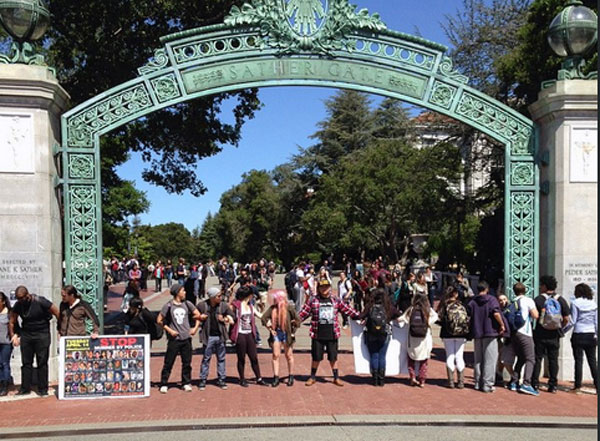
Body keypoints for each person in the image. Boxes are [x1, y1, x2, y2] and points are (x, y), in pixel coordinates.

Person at [298, 279, 360, 387]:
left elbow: (348, 310)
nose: (324, 289)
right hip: (317, 333)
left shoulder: (335, 300)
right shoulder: (313, 300)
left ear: (330, 287)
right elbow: (304, 313)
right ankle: (312, 376)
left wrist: (360, 316)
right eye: (322, 287)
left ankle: (336, 377)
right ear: (319, 288)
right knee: (316, 357)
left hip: (332, 333)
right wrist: (293, 321)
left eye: (326, 287)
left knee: (333, 357)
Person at [9, 285, 59, 396]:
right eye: (18, 299)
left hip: (42, 333)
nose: (20, 301)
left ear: (27, 295)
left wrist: (60, 329)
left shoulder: (40, 301)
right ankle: (25, 388)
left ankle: (43, 389)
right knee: (26, 362)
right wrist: (14, 335)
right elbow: (12, 320)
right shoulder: (18, 305)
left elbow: (56, 312)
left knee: (42, 362)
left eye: (22, 298)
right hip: (27, 334)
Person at [157, 283, 201, 393]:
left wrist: (195, 328)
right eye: (183, 291)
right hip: (174, 339)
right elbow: (159, 320)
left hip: (186, 338)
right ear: (177, 293)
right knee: (169, 362)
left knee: (187, 362)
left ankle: (186, 382)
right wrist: (169, 330)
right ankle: (164, 383)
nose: (185, 292)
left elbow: (197, 315)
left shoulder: (187, 304)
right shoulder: (168, 305)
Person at [531, 275, 570, 393]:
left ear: (544, 286)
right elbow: (567, 318)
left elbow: (533, 316)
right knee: (553, 360)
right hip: (555, 334)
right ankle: (553, 384)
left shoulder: (538, 299)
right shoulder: (561, 299)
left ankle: (535, 383)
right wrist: (559, 327)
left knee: (538, 359)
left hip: (540, 333)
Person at [467, 281, 506, 393]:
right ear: (487, 289)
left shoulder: (473, 301)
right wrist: (502, 324)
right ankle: (487, 384)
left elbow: (469, 314)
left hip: (477, 332)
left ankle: (478, 382)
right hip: (490, 331)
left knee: (478, 359)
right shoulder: (491, 299)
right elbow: (496, 313)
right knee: (490, 359)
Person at [359, 287, 399, 386]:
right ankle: (381, 380)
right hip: (384, 333)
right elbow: (399, 315)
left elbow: (360, 316)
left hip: (371, 333)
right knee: (382, 356)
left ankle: (375, 379)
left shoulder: (370, 306)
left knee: (374, 355)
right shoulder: (388, 307)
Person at [197, 286, 234, 390]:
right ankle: (203, 379)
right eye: (218, 296)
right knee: (206, 358)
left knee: (221, 358)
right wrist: (200, 317)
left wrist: (225, 318)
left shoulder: (223, 306)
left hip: (220, 336)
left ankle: (221, 379)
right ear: (212, 297)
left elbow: (232, 316)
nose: (220, 297)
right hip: (208, 336)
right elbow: (193, 315)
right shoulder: (202, 305)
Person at [563, 283, 598, 393]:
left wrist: (563, 331)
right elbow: (596, 322)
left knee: (578, 360)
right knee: (593, 361)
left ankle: (577, 386)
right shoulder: (593, 304)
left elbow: (573, 321)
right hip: (591, 333)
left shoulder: (575, 303)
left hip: (579, 333)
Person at [229, 286, 266, 387]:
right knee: (241, 358)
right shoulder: (236, 305)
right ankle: (242, 378)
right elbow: (229, 314)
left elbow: (260, 315)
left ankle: (259, 378)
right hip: (240, 334)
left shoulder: (250, 306)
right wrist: (228, 319)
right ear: (249, 295)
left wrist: (268, 317)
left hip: (250, 334)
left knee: (254, 357)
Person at [261, 290, 299, 387]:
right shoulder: (273, 309)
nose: (275, 300)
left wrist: (293, 329)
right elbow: (264, 318)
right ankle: (276, 377)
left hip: (287, 334)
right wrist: (270, 329)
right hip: (277, 333)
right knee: (275, 355)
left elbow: (298, 320)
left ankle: (291, 376)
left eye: (277, 299)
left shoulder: (289, 308)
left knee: (288, 355)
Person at [399, 293, 438, 387]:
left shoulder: (411, 309)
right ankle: (422, 380)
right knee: (424, 360)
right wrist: (427, 323)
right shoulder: (427, 310)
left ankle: (412, 377)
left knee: (411, 359)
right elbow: (436, 316)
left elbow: (402, 318)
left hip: (412, 337)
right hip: (424, 337)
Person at [507, 282, 539, 396]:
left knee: (520, 358)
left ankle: (514, 381)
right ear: (525, 290)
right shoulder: (528, 300)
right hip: (525, 332)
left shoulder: (512, 301)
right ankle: (526, 383)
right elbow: (535, 315)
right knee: (531, 358)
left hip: (514, 333)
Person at [436, 286, 469, 389]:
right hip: (462, 334)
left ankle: (450, 381)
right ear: (456, 294)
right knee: (460, 356)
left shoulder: (444, 305)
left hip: (447, 333)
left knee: (450, 355)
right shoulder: (461, 304)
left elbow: (438, 319)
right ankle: (461, 382)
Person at [497, 294, 516, 387]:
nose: (503, 301)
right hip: (501, 336)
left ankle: (513, 377)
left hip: (509, 337)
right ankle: (500, 374)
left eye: (504, 299)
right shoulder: (497, 310)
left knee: (505, 357)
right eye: (500, 300)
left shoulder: (509, 310)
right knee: (501, 356)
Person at [0, 292, 12, 396]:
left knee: (4, 363)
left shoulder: (9, 313)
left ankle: (4, 385)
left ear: (3, 301)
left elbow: (14, 327)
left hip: (6, 343)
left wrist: (15, 336)